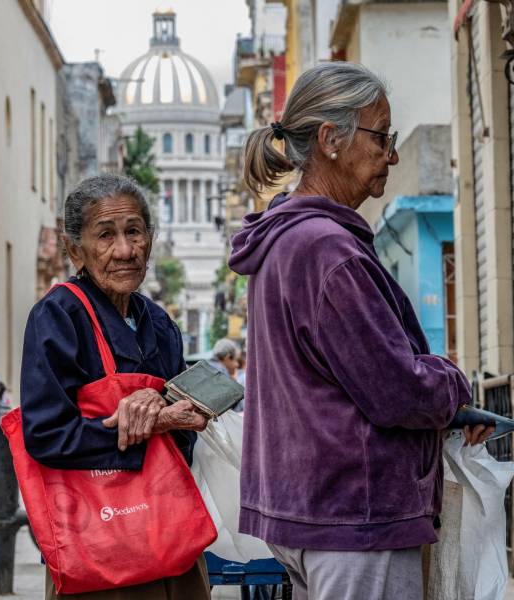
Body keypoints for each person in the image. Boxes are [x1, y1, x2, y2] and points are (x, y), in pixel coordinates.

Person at [229, 61, 493, 600]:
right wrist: (453, 385)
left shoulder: (287, 242)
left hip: (312, 511)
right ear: (330, 139)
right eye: (381, 136)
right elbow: (396, 389)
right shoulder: (327, 249)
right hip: (352, 514)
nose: (391, 155)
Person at [21, 173, 211, 599]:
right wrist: (148, 424)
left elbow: (188, 425)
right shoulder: (59, 316)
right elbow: (47, 435)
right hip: (98, 542)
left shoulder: (158, 322)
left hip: (169, 533)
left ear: (150, 238)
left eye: (134, 232)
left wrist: (164, 404)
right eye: (105, 235)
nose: (124, 251)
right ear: (75, 249)